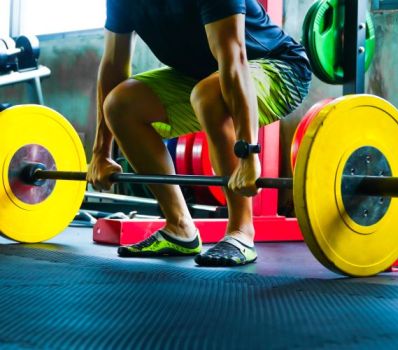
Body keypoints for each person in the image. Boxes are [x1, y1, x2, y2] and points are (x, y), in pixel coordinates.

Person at [87, 0, 312, 266]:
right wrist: (101, 152)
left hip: (279, 67)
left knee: (209, 95)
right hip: (202, 76)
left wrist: (248, 153)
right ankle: (179, 227)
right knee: (120, 105)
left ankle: (241, 231)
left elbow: (233, 58)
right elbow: (113, 64)